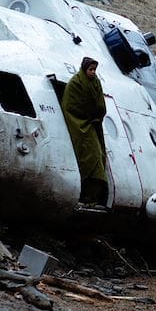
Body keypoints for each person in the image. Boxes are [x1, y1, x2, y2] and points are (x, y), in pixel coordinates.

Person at [61, 56, 108, 206]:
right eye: (90, 69)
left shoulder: (96, 83)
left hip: (94, 124)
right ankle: (86, 194)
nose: (93, 72)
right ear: (84, 69)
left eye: (95, 70)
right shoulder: (75, 83)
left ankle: (94, 196)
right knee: (91, 155)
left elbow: (101, 106)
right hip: (80, 124)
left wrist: (96, 116)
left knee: (99, 156)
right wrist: (89, 115)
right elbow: (71, 106)